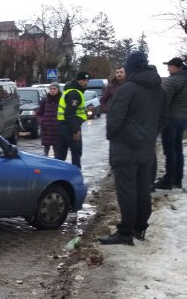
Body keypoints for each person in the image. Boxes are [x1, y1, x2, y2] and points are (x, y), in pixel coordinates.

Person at [99, 50, 168, 245]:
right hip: (146, 149)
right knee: (143, 189)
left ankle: (126, 232)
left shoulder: (127, 89)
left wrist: (113, 136)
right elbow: (164, 118)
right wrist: (149, 135)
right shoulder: (159, 90)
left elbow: (114, 120)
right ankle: (140, 228)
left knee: (126, 191)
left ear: (130, 68)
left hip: (125, 149)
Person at [152, 57, 187, 190]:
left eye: (170, 66)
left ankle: (168, 180)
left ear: (176, 67)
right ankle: (177, 179)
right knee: (178, 149)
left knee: (170, 150)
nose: (168, 69)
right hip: (183, 120)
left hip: (171, 120)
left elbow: (163, 101)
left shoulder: (172, 81)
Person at [55, 71, 90, 169]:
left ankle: (58, 176)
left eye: (87, 80)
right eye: (84, 80)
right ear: (78, 80)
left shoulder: (71, 90)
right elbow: (69, 114)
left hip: (63, 126)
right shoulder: (75, 93)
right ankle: (75, 177)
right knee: (76, 152)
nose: (86, 82)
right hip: (69, 127)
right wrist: (75, 130)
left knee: (60, 155)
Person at [36, 82, 62, 157]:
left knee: (57, 152)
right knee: (45, 153)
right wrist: (42, 122)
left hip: (57, 131)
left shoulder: (62, 101)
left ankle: (56, 166)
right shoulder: (45, 100)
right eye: (51, 89)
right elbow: (39, 113)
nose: (52, 90)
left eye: (54, 89)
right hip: (46, 130)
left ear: (58, 90)